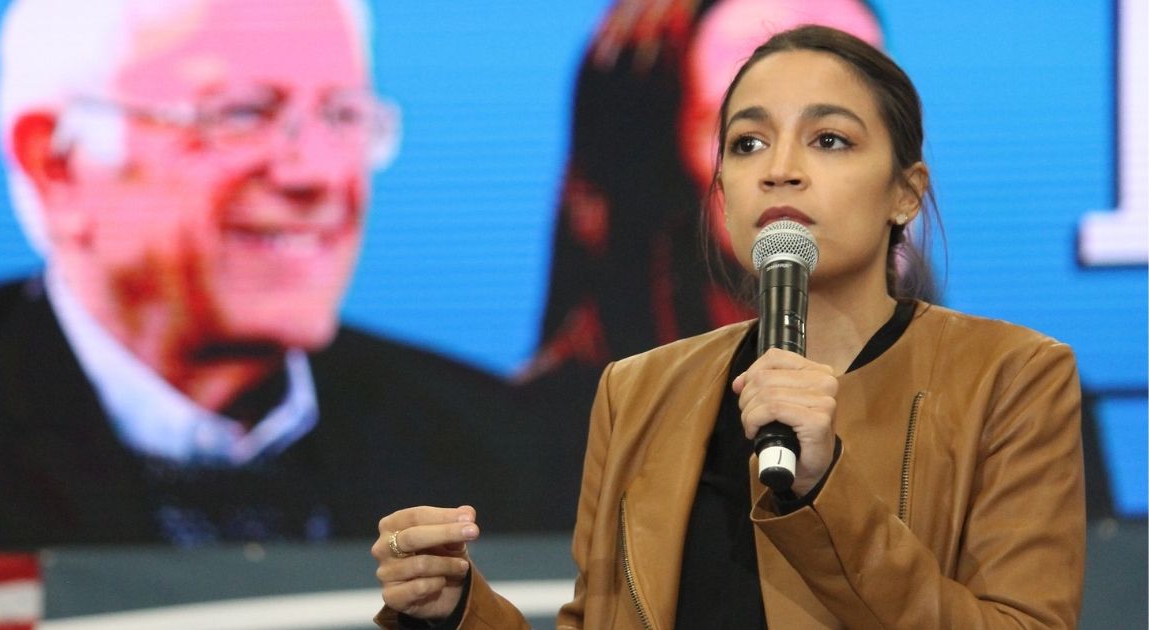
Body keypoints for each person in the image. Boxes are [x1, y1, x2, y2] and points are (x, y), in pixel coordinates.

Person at [371, 25, 1085, 628]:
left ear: (905, 191)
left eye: (829, 139)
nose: (779, 170)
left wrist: (823, 489)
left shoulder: (1011, 376)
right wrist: (457, 608)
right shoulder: (637, 390)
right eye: (746, 144)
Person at [0, 0, 546, 548]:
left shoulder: (497, 452)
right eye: (242, 113)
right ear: (56, 165)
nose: (315, 174)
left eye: (342, 115)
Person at [517, 0, 892, 532]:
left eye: (837, 136)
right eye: (747, 141)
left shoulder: (987, 398)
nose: (793, 173)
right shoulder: (522, 451)